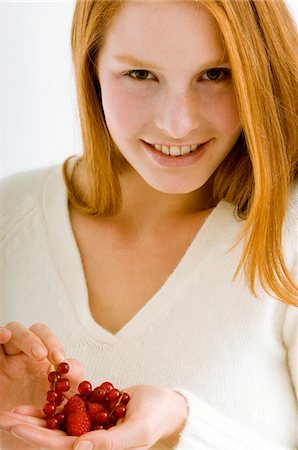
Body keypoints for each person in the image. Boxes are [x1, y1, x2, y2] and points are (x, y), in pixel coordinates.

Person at [0, 0, 297, 449]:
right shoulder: (10, 218)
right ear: (92, 68)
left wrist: (181, 426)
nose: (177, 123)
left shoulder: (288, 231)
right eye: (140, 75)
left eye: (215, 74)